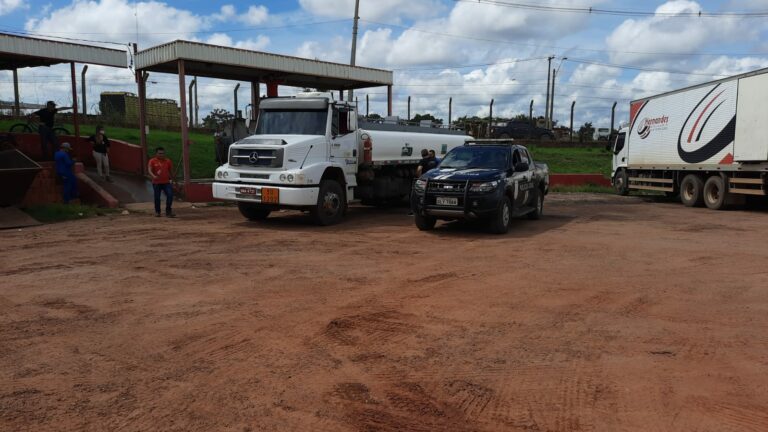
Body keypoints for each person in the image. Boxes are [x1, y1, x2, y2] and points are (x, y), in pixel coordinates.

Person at [148, 147, 176, 218]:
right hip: (156, 183)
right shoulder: (152, 161)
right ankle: (157, 212)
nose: (161, 155)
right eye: (160, 153)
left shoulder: (168, 161)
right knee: (157, 197)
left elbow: (171, 171)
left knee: (170, 195)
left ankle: (168, 211)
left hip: (166, 182)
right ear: (156, 153)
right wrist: (153, 176)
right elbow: (149, 170)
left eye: (163, 153)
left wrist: (173, 180)